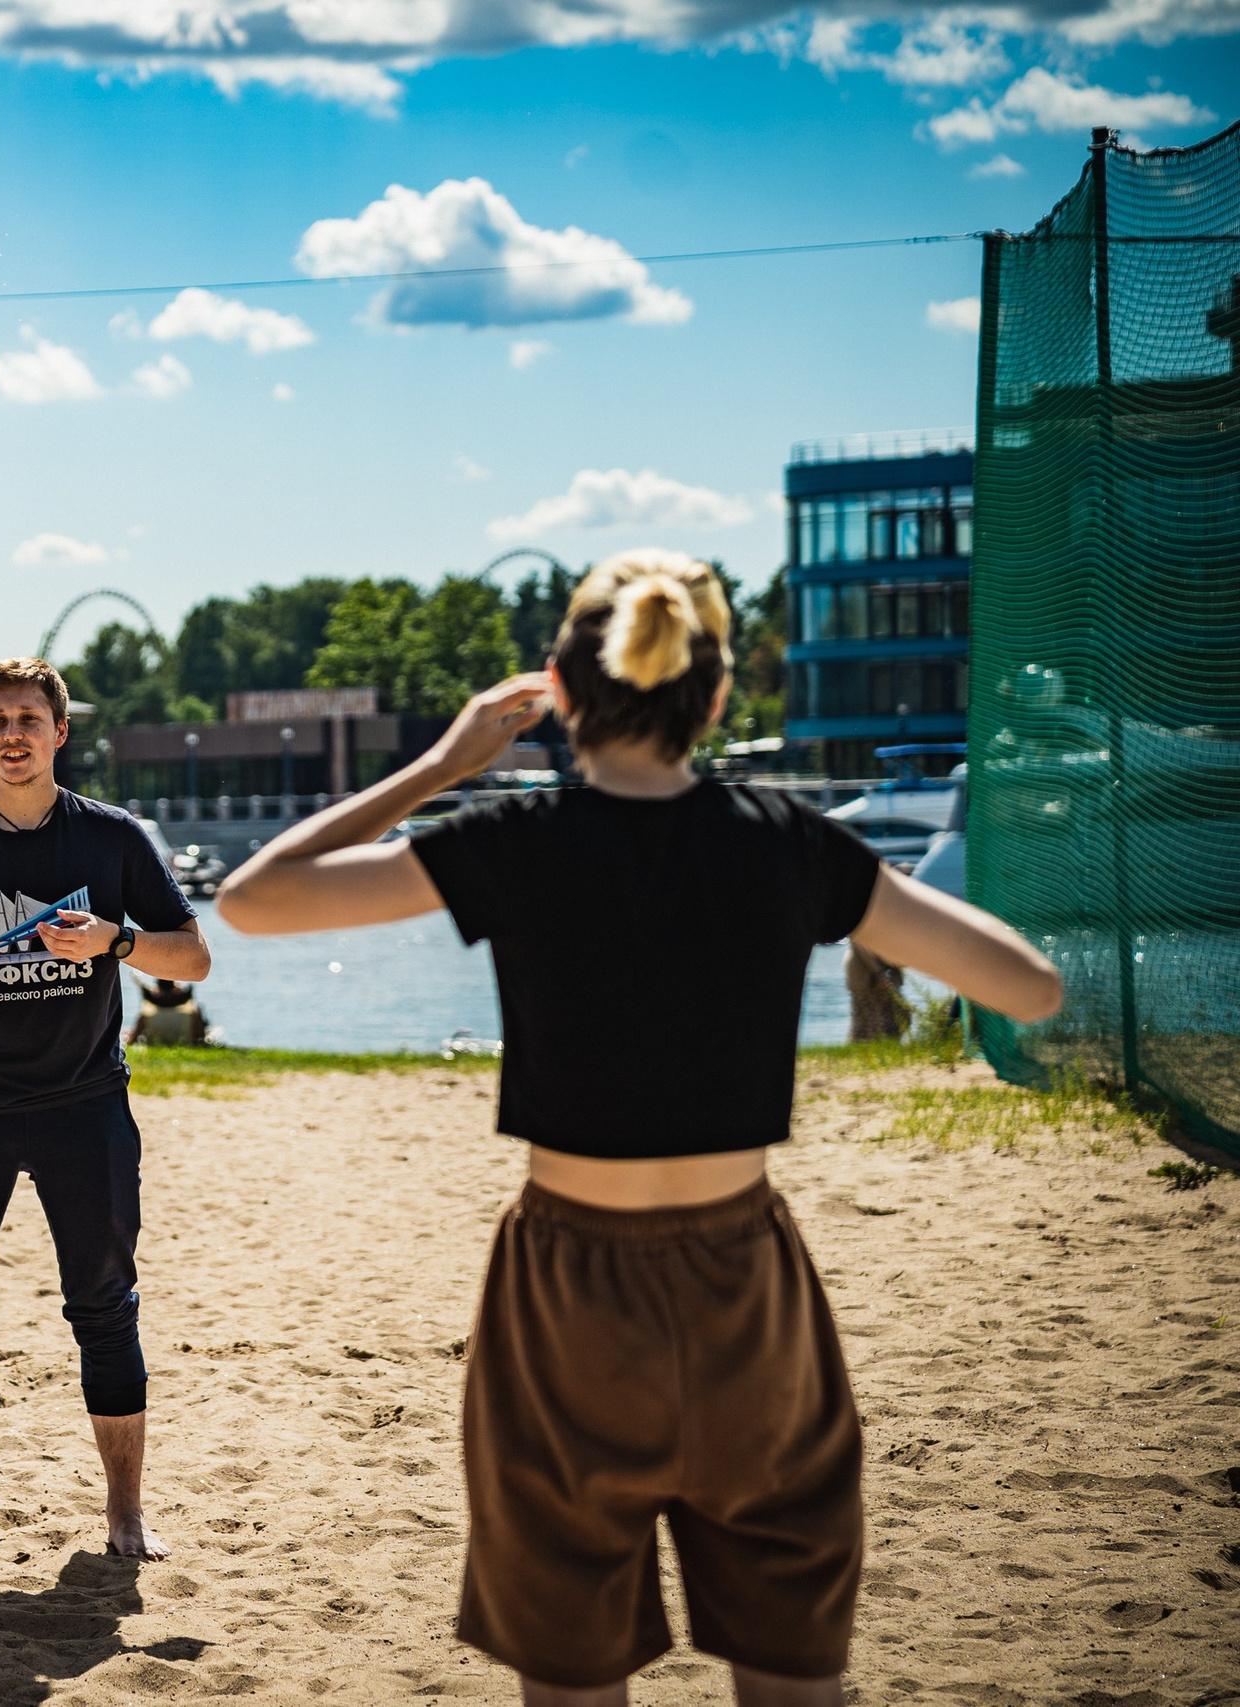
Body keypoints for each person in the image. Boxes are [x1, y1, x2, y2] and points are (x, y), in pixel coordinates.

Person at [216, 551, 1062, 1706]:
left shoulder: (515, 842)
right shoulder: (791, 845)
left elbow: (253, 900)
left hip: (565, 1294)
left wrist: (441, 765)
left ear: (563, 691)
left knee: (571, 1668)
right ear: (712, 698)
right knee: (790, 1672)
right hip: (745, 1286)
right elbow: (1030, 989)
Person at [0, 658, 211, 1561]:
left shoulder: (115, 840)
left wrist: (117, 939)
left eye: (30, 718)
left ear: (60, 734)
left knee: (104, 1305)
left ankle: (126, 1517)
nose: (13, 733)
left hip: (82, 1105)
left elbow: (195, 959)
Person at [126, 978, 208, 1047]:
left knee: (126, 1032)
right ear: (174, 986)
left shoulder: (148, 1012)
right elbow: (200, 1036)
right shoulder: (191, 1010)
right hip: (185, 1044)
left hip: (155, 1044)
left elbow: (133, 1039)